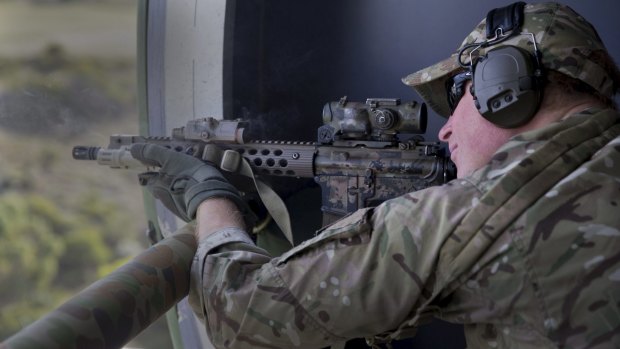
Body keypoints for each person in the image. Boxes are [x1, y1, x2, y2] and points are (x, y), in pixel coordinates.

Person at [130, 2, 620, 348]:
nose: (447, 129)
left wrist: (209, 194)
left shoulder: (476, 214)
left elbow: (238, 314)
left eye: (457, 96)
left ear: (503, 86)